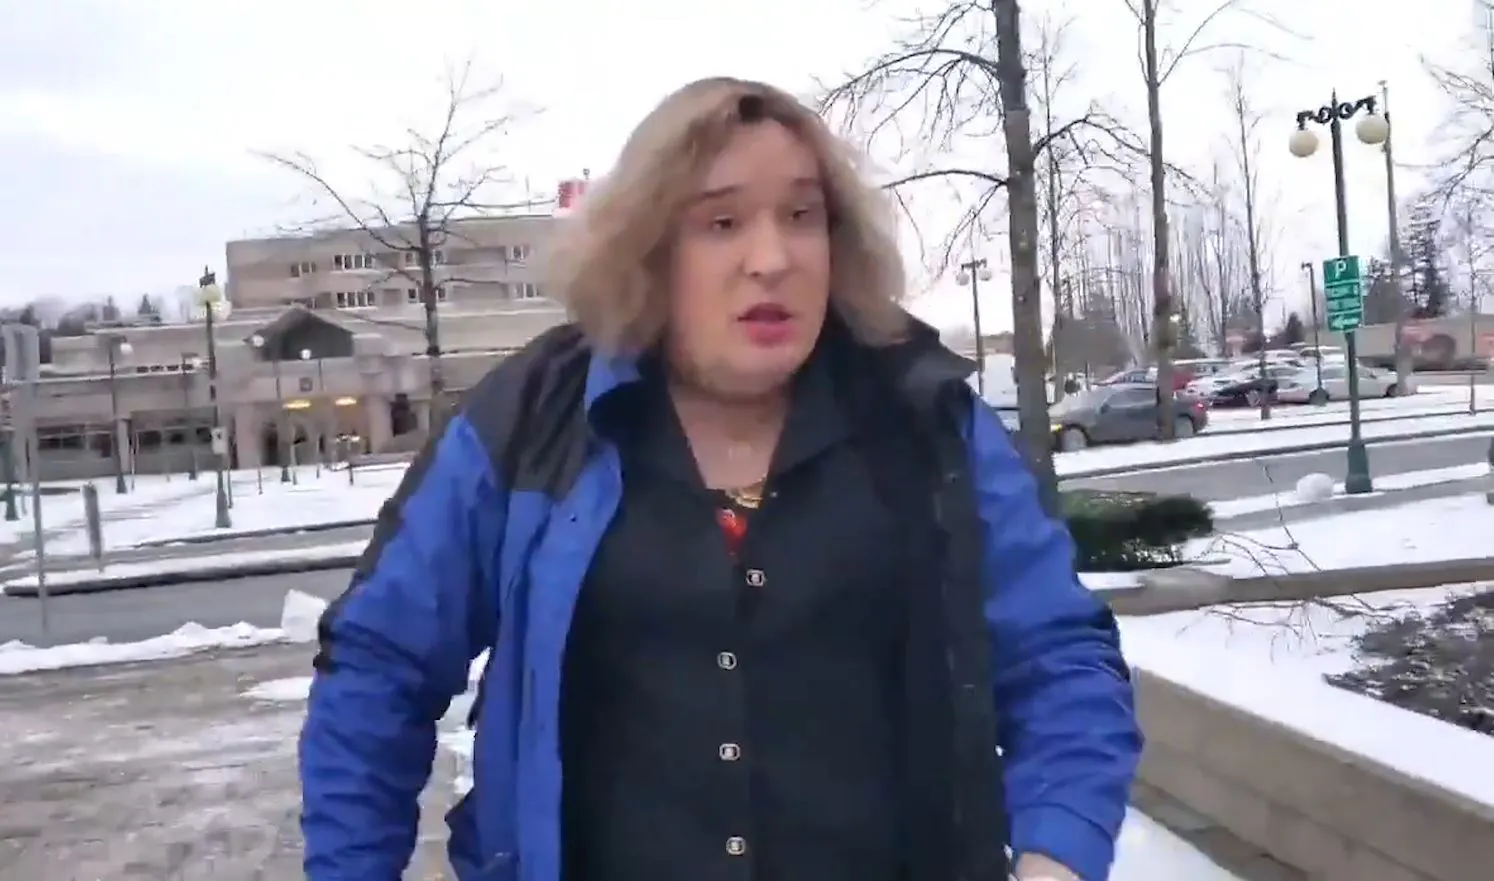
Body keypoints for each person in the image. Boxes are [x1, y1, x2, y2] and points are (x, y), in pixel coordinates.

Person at [299, 77, 1141, 881]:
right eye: (722, 222)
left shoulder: (927, 421)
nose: (771, 258)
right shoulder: (530, 420)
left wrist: (1056, 854)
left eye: (802, 216)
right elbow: (380, 666)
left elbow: (1059, 657)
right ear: (649, 249)